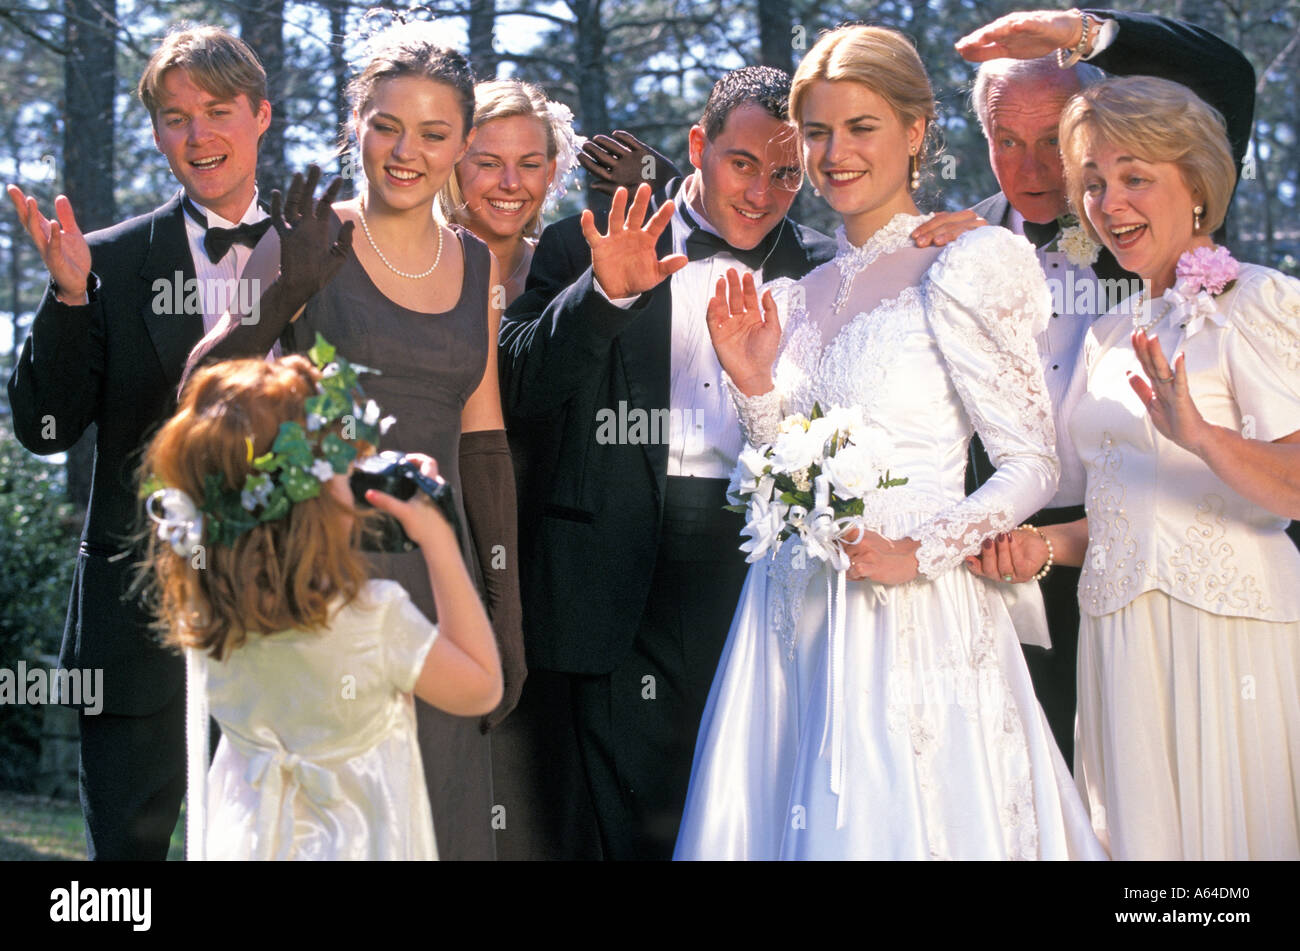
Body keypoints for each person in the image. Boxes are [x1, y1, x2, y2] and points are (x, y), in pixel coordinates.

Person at [674, 24, 1106, 860]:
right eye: (819, 132)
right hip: (790, 614)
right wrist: (756, 385)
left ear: (915, 131)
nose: (835, 154)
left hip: (915, 614)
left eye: (861, 127)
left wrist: (920, 553)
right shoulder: (798, 291)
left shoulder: (971, 260)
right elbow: (778, 470)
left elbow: (1031, 463)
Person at [184, 22, 520, 861]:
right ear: (356, 123)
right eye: (386, 126)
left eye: (434, 134)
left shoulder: (478, 264)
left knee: (431, 815)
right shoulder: (304, 237)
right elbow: (199, 394)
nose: (406, 151)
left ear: (461, 145)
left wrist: (503, 615)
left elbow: (484, 448)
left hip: (434, 577)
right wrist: (287, 286)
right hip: (316, 577)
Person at [498, 66, 837, 861]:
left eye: (786, 172)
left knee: (738, 799)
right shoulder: (591, 234)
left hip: (758, 558)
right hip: (610, 560)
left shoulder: (827, 272)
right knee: (612, 822)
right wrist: (604, 297)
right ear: (698, 147)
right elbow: (520, 388)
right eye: (743, 163)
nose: (761, 192)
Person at [970, 76, 1300, 860]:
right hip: (1119, 643)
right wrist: (1045, 547)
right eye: (1093, 183)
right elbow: (1127, 504)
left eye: (1134, 177)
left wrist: (1205, 437)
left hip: (1224, 636)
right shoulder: (1112, 332)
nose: (1109, 204)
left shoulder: (1253, 301)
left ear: (1197, 184)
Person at [956, 7, 1257, 764]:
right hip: (1008, 563)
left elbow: (1229, 79)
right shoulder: (954, 247)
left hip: (1162, 552)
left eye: (1051, 141)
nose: (1029, 170)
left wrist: (1087, 33)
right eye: (1006, 142)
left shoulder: (1152, 225)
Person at [6, 26, 275, 860]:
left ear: (261, 115)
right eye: (174, 117)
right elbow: (42, 427)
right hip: (135, 622)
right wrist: (70, 296)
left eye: (218, 111)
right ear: (156, 132)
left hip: (283, 613)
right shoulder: (108, 262)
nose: (198, 136)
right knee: (124, 869)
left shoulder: (322, 252)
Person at [142, 352, 501, 859]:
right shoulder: (375, 619)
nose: (360, 476)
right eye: (349, 466)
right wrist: (438, 537)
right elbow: (482, 686)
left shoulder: (209, 617)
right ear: (315, 496)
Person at [441, 79, 583, 308]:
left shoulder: (570, 276)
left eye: (529, 165)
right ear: (452, 164)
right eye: (489, 164)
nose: (511, 184)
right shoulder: (414, 265)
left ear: (550, 172)